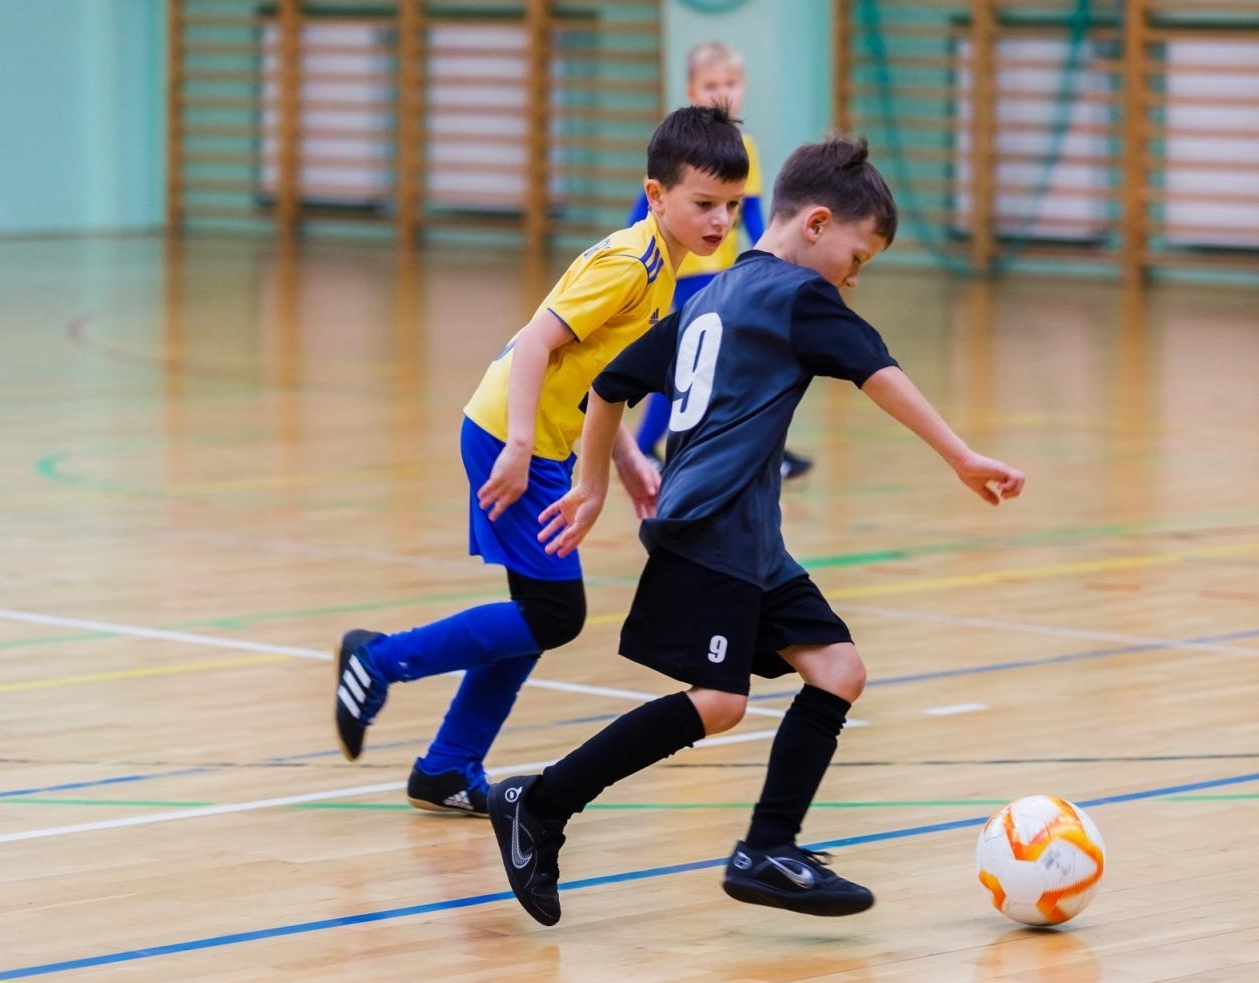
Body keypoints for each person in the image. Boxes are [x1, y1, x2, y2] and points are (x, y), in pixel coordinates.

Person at [485, 137, 1026, 926]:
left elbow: (610, 383)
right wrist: (960, 454)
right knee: (719, 701)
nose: (853, 274)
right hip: (709, 530)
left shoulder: (715, 293)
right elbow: (880, 372)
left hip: (747, 540)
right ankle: (543, 801)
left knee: (838, 669)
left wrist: (597, 481)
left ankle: (766, 848)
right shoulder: (801, 300)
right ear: (815, 223)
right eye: (858, 255)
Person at [331, 106, 751, 816]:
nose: (720, 221)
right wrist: (522, 446)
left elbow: (593, 374)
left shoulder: (664, 273)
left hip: (541, 441)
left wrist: (620, 456)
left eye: (732, 206)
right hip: (508, 436)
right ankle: (377, 659)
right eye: (704, 204)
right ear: (656, 196)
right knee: (557, 614)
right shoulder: (629, 263)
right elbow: (534, 345)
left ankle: (447, 765)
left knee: (536, 613)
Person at [626, 41, 814, 481]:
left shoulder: (745, 148)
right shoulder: (679, 150)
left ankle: (761, 451)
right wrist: (633, 262)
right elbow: (642, 211)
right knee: (693, 365)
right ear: (692, 89)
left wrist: (774, 260)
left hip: (720, 275)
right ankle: (645, 446)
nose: (722, 92)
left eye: (730, 83)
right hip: (682, 276)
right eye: (711, 84)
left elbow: (751, 214)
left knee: (733, 362)